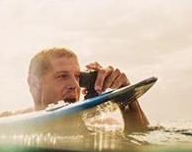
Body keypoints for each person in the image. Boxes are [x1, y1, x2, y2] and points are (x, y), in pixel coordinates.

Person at [14, 47, 149, 133]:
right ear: (34, 83)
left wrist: (127, 97)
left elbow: (140, 141)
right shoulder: (10, 120)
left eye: (78, 77)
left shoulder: (102, 127)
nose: (75, 85)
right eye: (62, 76)